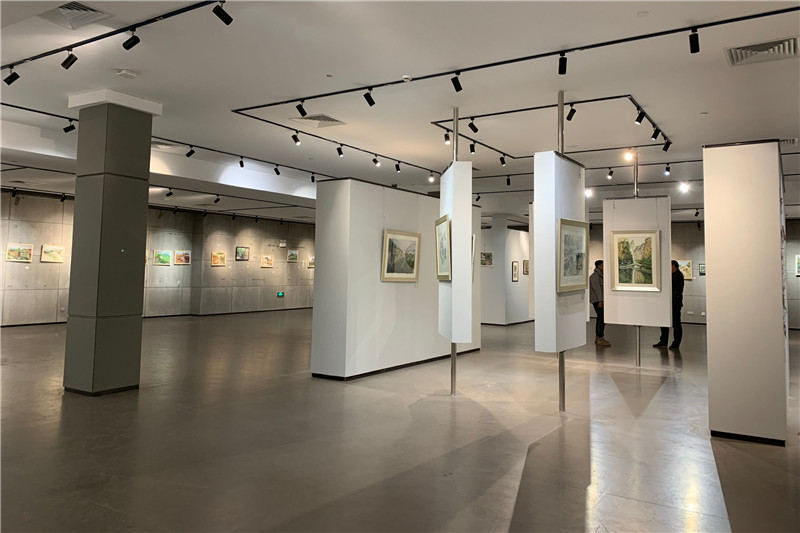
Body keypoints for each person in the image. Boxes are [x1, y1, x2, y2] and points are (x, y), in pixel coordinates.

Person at [654, 259, 685, 350]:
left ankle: (676, 343)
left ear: (674, 266)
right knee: (663, 322)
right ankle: (663, 342)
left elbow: (676, 290)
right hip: (668, 303)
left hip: (675, 304)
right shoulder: (670, 276)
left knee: (676, 324)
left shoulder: (678, 276)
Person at [589, 259, 611, 347]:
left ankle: (598, 337)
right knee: (601, 319)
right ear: (599, 266)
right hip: (598, 301)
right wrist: (600, 301)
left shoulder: (600, 276)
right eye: (603, 265)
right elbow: (597, 289)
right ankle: (600, 338)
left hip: (600, 300)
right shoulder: (594, 276)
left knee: (601, 318)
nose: (604, 267)